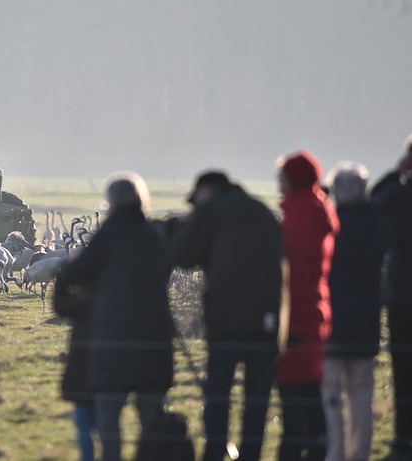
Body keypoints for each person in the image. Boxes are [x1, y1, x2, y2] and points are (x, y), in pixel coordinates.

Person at [57, 172, 174, 461]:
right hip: (153, 345)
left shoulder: (107, 237)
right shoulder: (155, 238)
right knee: (151, 425)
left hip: (112, 346)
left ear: (110, 203)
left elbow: (72, 275)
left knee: (110, 426)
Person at [169, 170, 284, 461]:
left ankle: (215, 450)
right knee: (257, 398)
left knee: (218, 392)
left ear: (206, 192)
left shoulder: (212, 211)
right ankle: (251, 453)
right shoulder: (261, 211)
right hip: (266, 320)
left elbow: (185, 256)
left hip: (226, 320)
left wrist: (181, 227)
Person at [275, 150, 339, 461]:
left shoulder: (298, 217)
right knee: (310, 396)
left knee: (295, 402)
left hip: (297, 318)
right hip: (314, 314)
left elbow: (290, 272)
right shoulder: (316, 210)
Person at [321, 162, 386, 461]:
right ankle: (359, 453)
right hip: (365, 319)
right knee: (361, 392)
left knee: (331, 390)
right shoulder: (376, 224)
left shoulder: (328, 225)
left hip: (331, 320)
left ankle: (335, 452)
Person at [371, 135, 412, 461]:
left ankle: (403, 438)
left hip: (402, 296)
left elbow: (374, 198)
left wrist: (396, 172)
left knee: (403, 372)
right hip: (401, 293)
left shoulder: (397, 195)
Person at [54, 254, 95, 461]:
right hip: (113, 373)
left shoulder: (81, 304)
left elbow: (59, 305)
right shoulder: (120, 302)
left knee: (84, 423)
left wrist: (65, 273)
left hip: (82, 374)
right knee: (110, 426)